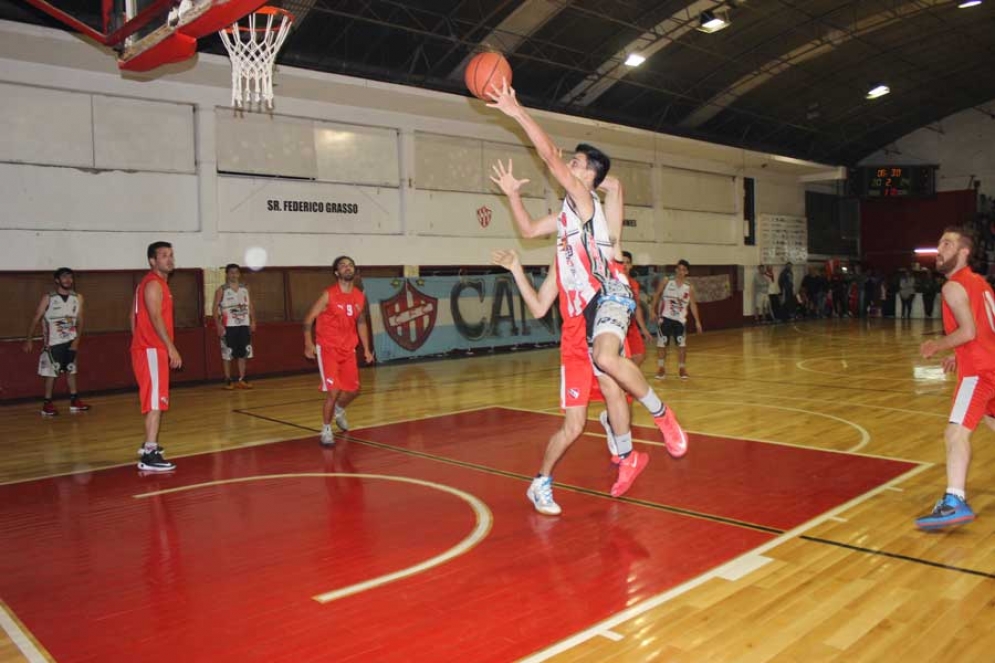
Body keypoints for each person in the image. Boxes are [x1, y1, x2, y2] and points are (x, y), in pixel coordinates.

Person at [486, 79, 686, 514]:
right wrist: (514, 197)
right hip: (576, 323)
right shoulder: (564, 228)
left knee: (611, 368)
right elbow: (527, 238)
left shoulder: (583, 198)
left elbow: (551, 158)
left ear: (588, 175)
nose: (568, 166)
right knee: (576, 421)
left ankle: (652, 424)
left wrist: (516, 110)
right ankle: (548, 480)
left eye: (576, 163)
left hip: (608, 296)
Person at [916, 227, 995, 530]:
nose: (940, 249)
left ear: (964, 252)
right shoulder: (982, 284)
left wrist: (938, 345)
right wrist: (957, 355)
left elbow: (969, 332)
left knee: (955, 434)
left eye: (947, 244)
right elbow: (986, 330)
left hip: (979, 373)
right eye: (938, 244)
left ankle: (954, 502)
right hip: (991, 366)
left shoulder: (953, 287)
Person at [303, 256, 375, 446]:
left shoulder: (359, 296)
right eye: (342, 265)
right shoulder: (329, 294)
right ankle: (326, 429)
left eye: (350, 265)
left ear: (354, 271)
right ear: (336, 272)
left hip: (348, 349)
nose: (347, 267)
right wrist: (308, 343)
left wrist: (367, 348)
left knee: (354, 390)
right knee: (333, 392)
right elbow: (309, 319)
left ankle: (339, 410)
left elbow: (361, 322)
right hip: (328, 348)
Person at [131, 242, 181, 472]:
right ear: (152, 260)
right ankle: (149, 454)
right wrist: (170, 347)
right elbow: (154, 318)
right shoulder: (152, 284)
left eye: (171, 255)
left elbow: (131, 316)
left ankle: (151, 447)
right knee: (154, 403)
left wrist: (140, 339)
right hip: (152, 349)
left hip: (149, 348)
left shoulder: (151, 284)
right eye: (163, 256)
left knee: (157, 400)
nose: (169, 259)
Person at [23, 267, 90, 416]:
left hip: (70, 341)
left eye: (70, 277)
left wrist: (76, 340)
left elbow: (80, 320)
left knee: (71, 370)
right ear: (57, 280)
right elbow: (36, 318)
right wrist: (29, 339)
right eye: (64, 277)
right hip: (53, 342)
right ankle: (47, 404)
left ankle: (74, 401)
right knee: (51, 373)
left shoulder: (77, 297)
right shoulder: (49, 297)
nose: (68, 280)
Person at [650, 260, 703, 380]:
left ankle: (682, 368)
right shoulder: (667, 281)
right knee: (662, 343)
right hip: (665, 318)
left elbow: (693, 304)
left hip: (680, 320)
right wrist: (652, 310)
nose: (680, 272)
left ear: (687, 272)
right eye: (679, 269)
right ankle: (661, 368)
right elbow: (657, 294)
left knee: (682, 344)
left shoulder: (689, 287)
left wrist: (697, 321)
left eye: (683, 270)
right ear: (675, 270)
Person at [213, 263, 256, 390]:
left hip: (244, 325)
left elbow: (250, 305)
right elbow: (215, 308)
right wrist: (218, 324)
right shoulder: (222, 289)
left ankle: (242, 378)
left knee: (243, 353)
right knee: (228, 353)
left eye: (236, 272)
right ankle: (228, 379)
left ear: (239, 274)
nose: (234, 275)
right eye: (231, 272)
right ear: (227, 274)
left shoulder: (245, 288)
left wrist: (253, 321)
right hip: (228, 325)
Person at [622, 251, 652, 366]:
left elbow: (637, 307)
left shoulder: (634, 284)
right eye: (622, 262)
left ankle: (627, 381)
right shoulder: (613, 282)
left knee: (639, 355)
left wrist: (644, 328)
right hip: (618, 326)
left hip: (632, 326)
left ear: (631, 265)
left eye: (627, 263)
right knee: (623, 359)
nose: (624, 265)